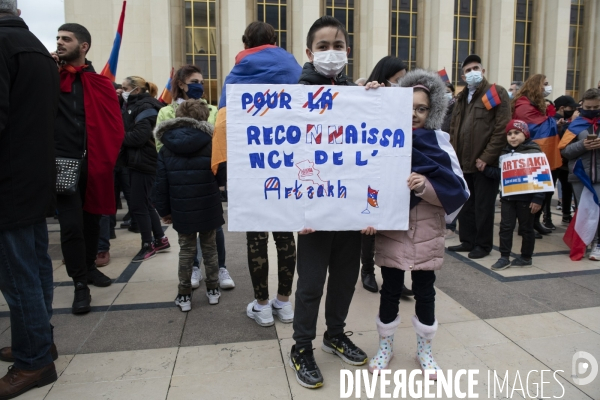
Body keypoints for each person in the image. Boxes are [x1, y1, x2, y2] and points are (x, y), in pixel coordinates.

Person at [288, 15, 382, 390]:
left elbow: (376, 151)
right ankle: (301, 347)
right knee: (310, 283)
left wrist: (377, 99)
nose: (331, 52)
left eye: (337, 46)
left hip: (350, 211)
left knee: (344, 280)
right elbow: (286, 153)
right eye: (323, 47)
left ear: (348, 51)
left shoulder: (360, 96)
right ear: (309, 53)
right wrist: (296, 209)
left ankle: (335, 334)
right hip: (313, 211)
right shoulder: (294, 97)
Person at [368, 69, 469, 377]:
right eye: (408, 106)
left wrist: (426, 187)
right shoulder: (381, 138)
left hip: (426, 229)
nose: (414, 114)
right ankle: (385, 346)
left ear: (433, 111)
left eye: (422, 108)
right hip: (392, 230)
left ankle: (424, 350)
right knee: (390, 289)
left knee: (426, 291)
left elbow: (458, 190)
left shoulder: (440, 143)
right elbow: (368, 181)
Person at [212, 21, 301, 326]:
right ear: (275, 40)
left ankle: (262, 306)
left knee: (257, 237)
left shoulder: (241, 68)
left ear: (246, 42)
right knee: (285, 235)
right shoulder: (293, 67)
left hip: (252, 165)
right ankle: (285, 304)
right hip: (287, 161)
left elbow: (223, 119)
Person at [0, 2, 60, 396]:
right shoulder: (34, 46)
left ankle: (35, 359)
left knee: (18, 275)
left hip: (7, 179)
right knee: (36, 268)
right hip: (34, 175)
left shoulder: (3, 45)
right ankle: (36, 341)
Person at [54, 23, 124, 314]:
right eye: (57, 38)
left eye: (66, 39)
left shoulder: (100, 83)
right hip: (62, 163)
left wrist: (106, 159)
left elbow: (114, 127)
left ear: (83, 46)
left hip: (94, 164)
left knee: (94, 221)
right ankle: (80, 284)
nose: (59, 43)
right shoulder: (49, 78)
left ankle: (89, 268)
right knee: (71, 227)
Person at [165, 65, 234, 290]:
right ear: (181, 84)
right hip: (181, 182)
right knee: (187, 239)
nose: (200, 86)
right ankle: (194, 268)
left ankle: (220, 268)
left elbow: (221, 144)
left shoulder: (213, 110)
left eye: (202, 82)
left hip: (205, 181)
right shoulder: (165, 112)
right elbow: (161, 149)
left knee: (214, 233)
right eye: (195, 81)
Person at [154, 99, 225, 310]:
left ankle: (184, 295)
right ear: (204, 117)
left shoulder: (166, 146)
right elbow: (221, 174)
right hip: (208, 205)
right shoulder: (212, 142)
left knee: (186, 251)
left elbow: (160, 183)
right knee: (210, 248)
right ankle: (213, 290)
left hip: (181, 208)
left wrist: (165, 211)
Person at [448, 54, 510, 259]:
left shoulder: (494, 92)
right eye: (468, 70)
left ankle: (483, 245)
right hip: (463, 162)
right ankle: (467, 241)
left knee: (483, 207)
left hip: (483, 162)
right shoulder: (461, 97)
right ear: (463, 76)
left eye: (476, 68)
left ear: (482, 71)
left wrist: (487, 157)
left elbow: (502, 128)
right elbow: (456, 127)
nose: (472, 72)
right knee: (466, 203)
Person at [359, 55, 412, 294]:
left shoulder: (403, 102)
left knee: (394, 225)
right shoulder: (365, 96)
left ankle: (395, 277)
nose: (400, 85)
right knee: (370, 225)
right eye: (397, 80)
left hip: (393, 172)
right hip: (369, 174)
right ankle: (367, 270)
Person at [120, 76, 170, 262]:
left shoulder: (145, 108)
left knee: (138, 205)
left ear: (137, 90)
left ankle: (147, 244)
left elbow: (138, 137)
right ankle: (160, 238)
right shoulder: (137, 106)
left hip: (144, 162)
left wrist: (116, 137)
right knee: (146, 203)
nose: (122, 91)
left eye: (125, 88)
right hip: (141, 161)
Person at [490, 120, 544, 270]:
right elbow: (501, 174)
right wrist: (484, 168)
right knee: (505, 227)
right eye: (509, 134)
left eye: (516, 133)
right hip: (508, 198)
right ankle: (504, 257)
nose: (512, 137)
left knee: (526, 228)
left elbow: (542, 176)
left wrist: (538, 198)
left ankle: (526, 257)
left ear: (525, 134)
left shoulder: (534, 151)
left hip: (527, 199)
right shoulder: (504, 152)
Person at [511, 74, 561, 234]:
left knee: (543, 190)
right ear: (535, 86)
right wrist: (552, 121)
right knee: (532, 191)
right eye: (544, 84)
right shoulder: (524, 106)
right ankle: (527, 225)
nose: (547, 87)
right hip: (530, 154)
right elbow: (533, 127)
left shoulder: (532, 104)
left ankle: (534, 222)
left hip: (537, 153)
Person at [559, 88, 600, 260]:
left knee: (598, 210)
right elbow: (565, 151)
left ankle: (597, 243)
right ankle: (584, 242)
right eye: (588, 107)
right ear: (582, 104)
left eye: (596, 107)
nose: (591, 111)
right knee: (582, 211)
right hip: (579, 175)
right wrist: (583, 145)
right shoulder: (574, 125)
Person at [554, 95, 580, 224]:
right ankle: (547, 217)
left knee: (568, 187)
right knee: (552, 189)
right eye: (572, 108)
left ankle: (566, 214)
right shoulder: (555, 120)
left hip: (566, 162)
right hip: (558, 160)